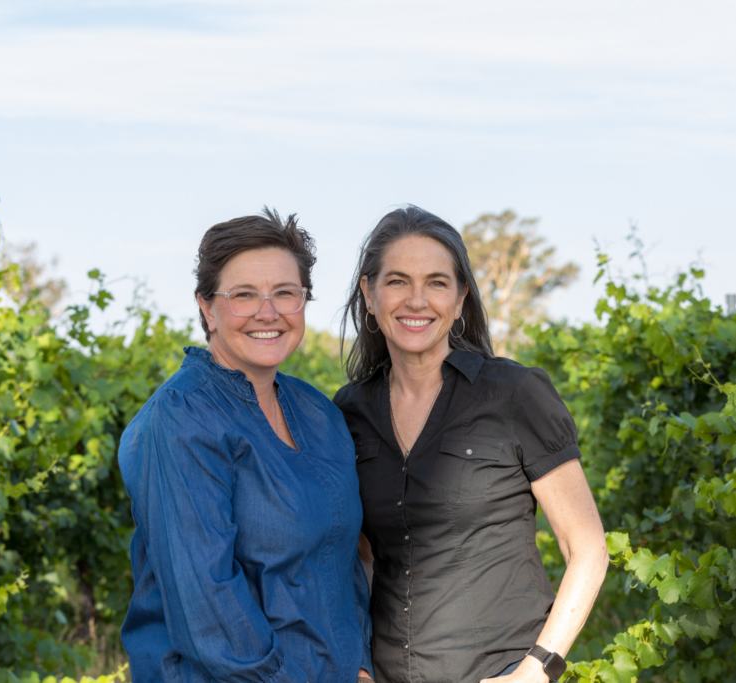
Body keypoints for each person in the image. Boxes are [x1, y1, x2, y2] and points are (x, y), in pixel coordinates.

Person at [334, 206, 608, 683]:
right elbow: (361, 558)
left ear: (460, 299)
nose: (417, 300)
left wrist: (537, 669)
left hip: (500, 670)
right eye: (397, 281)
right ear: (369, 294)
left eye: (437, 283)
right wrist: (359, 662)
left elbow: (586, 548)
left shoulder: (514, 394)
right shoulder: (350, 412)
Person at [118, 209, 373, 683]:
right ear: (207, 308)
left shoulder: (319, 413)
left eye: (285, 293)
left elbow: (342, 561)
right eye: (244, 295)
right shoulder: (184, 416)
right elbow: (207, 605)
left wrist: (360, 664)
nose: (268, 311)